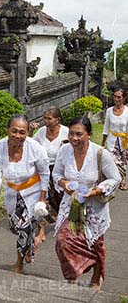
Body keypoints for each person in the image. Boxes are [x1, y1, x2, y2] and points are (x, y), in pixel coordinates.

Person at [53, 117, 120, 290]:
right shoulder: (64, 150)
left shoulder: (100, 153)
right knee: (63, 241)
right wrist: (64, 184)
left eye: (79, 134)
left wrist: (96, 190)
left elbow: (115, 178)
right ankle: (72, 274)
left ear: (89, 135)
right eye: (71, 134)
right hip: (71, 206)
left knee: (95, 244)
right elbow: (56, 174)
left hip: (94, 209)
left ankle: (97, 275)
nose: (74, 138)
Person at [0, 114, 50, 274]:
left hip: (33, 193)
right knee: (18, 228)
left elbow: (44, 173)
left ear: (28, 132)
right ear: (7, 130)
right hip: (12, 195)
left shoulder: (36, 148)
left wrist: (43, 198)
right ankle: (29, 246)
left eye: (22, 132)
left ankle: (19, 261)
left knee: (24, 229)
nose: (18, 136)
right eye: (14, 131)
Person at [30, 107, 69, 218]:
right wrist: (31, 131)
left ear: (57, 120)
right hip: (43, 170)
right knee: (44, 196)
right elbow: (30, 144)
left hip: (60, 170)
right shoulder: (41, 131)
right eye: (44, 118)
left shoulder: (66, 132)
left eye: (49, 119)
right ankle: (45, 222)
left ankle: (64, 218)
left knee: (60, 196)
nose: (46, 121)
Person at [102, 87, 128, 190]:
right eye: (115, 96)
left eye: (119, 97)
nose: (116, 99)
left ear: (124, 98)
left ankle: (123, 179)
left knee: (123, 161)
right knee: (112, 161)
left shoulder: (127, 111)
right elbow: (106, 128)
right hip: (112, 140)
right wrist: (102, 143)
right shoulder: (109, 111)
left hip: (124, 141)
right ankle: (117, 180)